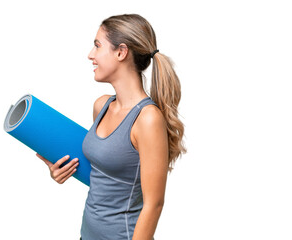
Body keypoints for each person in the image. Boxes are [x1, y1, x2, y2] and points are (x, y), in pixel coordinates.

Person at [36, 14, 186, 240]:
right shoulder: (101, 106)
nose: (91, 55)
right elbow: (102, 172)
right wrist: (60, 169)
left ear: (121, 52)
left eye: (97, 46)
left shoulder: (147, 119)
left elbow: (154, 205)